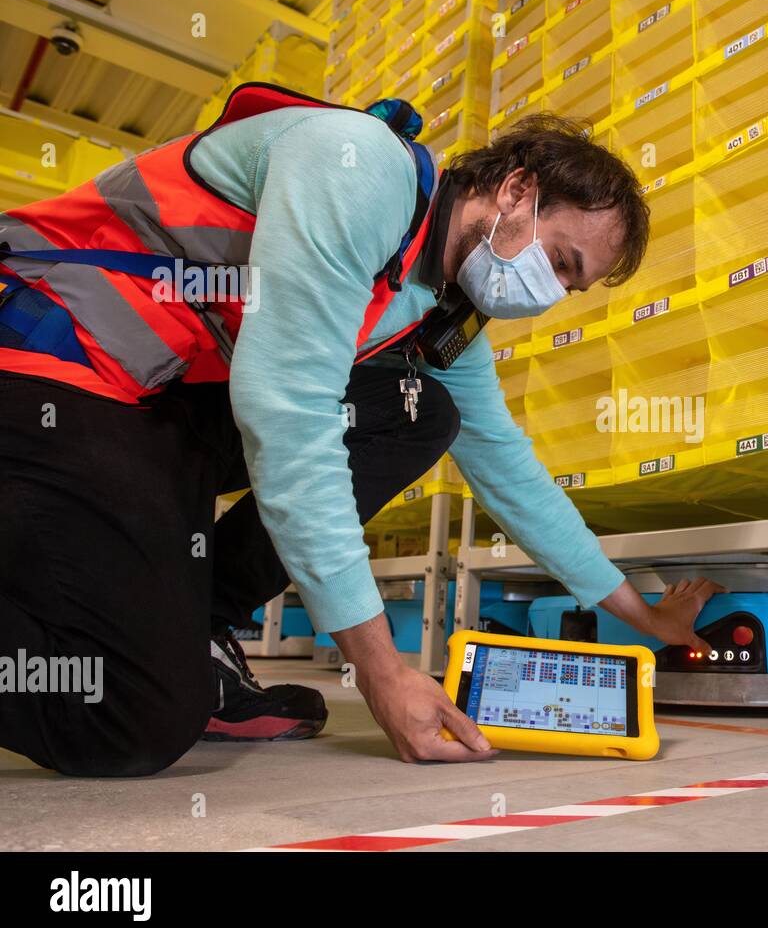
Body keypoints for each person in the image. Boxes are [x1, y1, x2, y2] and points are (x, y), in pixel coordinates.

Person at [0, 84, 718, 776]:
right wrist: (379, 669)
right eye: (561, 261)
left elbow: (508, 468)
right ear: (517, 192)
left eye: (572, 286)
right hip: (50, 364)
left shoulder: (441, 309)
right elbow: (287, 407)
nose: (551, 293)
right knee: (129, 720)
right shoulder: (360, 166)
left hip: (155, 399)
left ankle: (202, 628)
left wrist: (642, 615)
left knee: (423, 410)